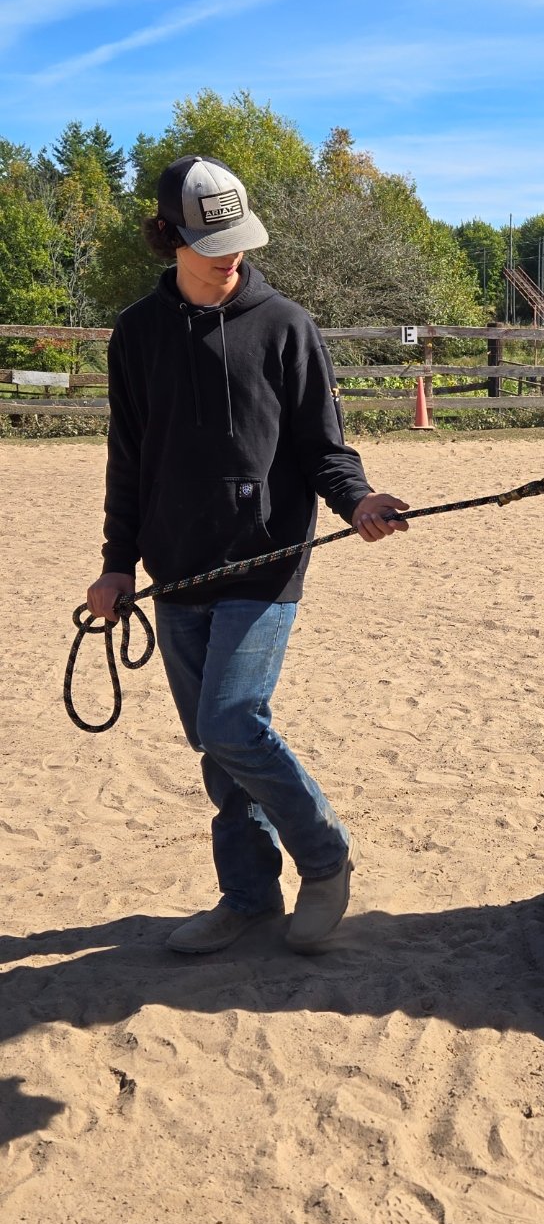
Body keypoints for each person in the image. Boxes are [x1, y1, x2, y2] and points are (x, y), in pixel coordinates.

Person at [85, 154, 408, 955]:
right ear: (170, 236)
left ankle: (325, 860)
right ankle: (248, 897)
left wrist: (358, 499)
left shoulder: (286, 327)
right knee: (215, 746)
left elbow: (322, 449)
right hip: (174, 570)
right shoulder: (136, 335)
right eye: (212, 239)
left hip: (265, 564)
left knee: (232, 721)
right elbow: (128, 458)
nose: (231, 252)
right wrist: (118, 562)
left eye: (237, 235)